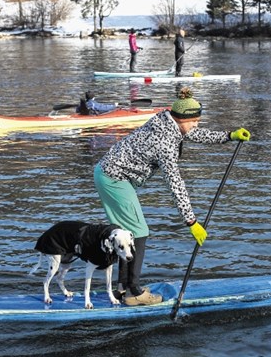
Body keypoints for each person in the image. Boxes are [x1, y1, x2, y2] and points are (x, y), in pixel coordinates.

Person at [93, 87, 251, 306]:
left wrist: (228, 136)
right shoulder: (165, 143)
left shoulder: (167, 120)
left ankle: (122, 288)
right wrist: (191, 221)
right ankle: (134, 293)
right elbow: (176, 184)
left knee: (127, 232)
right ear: (181, 118)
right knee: (139, 232)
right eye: (194, 120)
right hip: (114, 179)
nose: (197, 124)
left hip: (108, 174)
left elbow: (193, 133)